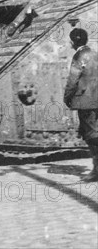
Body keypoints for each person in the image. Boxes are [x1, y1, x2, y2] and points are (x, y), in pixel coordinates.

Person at [64, 28, 98, 182]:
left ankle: (96, 171)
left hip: (85, 101)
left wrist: (67, 98)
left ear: (73, 42)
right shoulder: (95, 54)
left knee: (91, 136)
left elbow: (72, 80)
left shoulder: (79, 56)